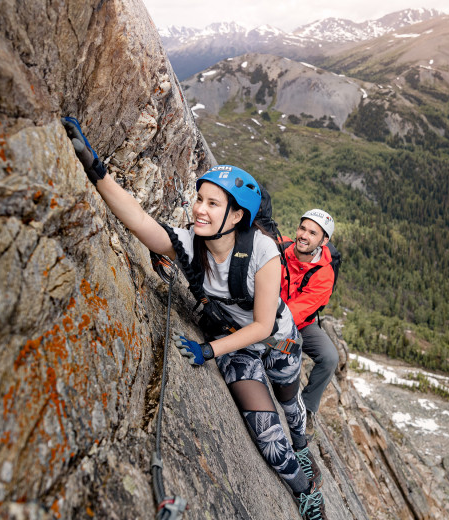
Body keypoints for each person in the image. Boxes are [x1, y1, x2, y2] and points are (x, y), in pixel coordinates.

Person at [62, 119, 327, 519]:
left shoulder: (263, 252)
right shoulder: (189, 246)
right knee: (268, 436)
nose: (199, 209)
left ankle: (303, 446)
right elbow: (139, 221)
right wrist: (95, 169)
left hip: (276, 340)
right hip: (234, 345)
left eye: (212, 203)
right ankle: (306, 490)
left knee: (290, 403)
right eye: (199, 199)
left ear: (237, 216)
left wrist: (209, 350)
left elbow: (263, 326)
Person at [280, 209, 340, 438]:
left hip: (298, 321)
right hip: (269, 310)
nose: (303, 235)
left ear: (324, 241)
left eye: (312, 233)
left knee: (329, 357)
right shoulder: (280, 247)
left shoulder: (324, 275)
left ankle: (305, 409)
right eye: (302, 228)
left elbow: (296, 313)